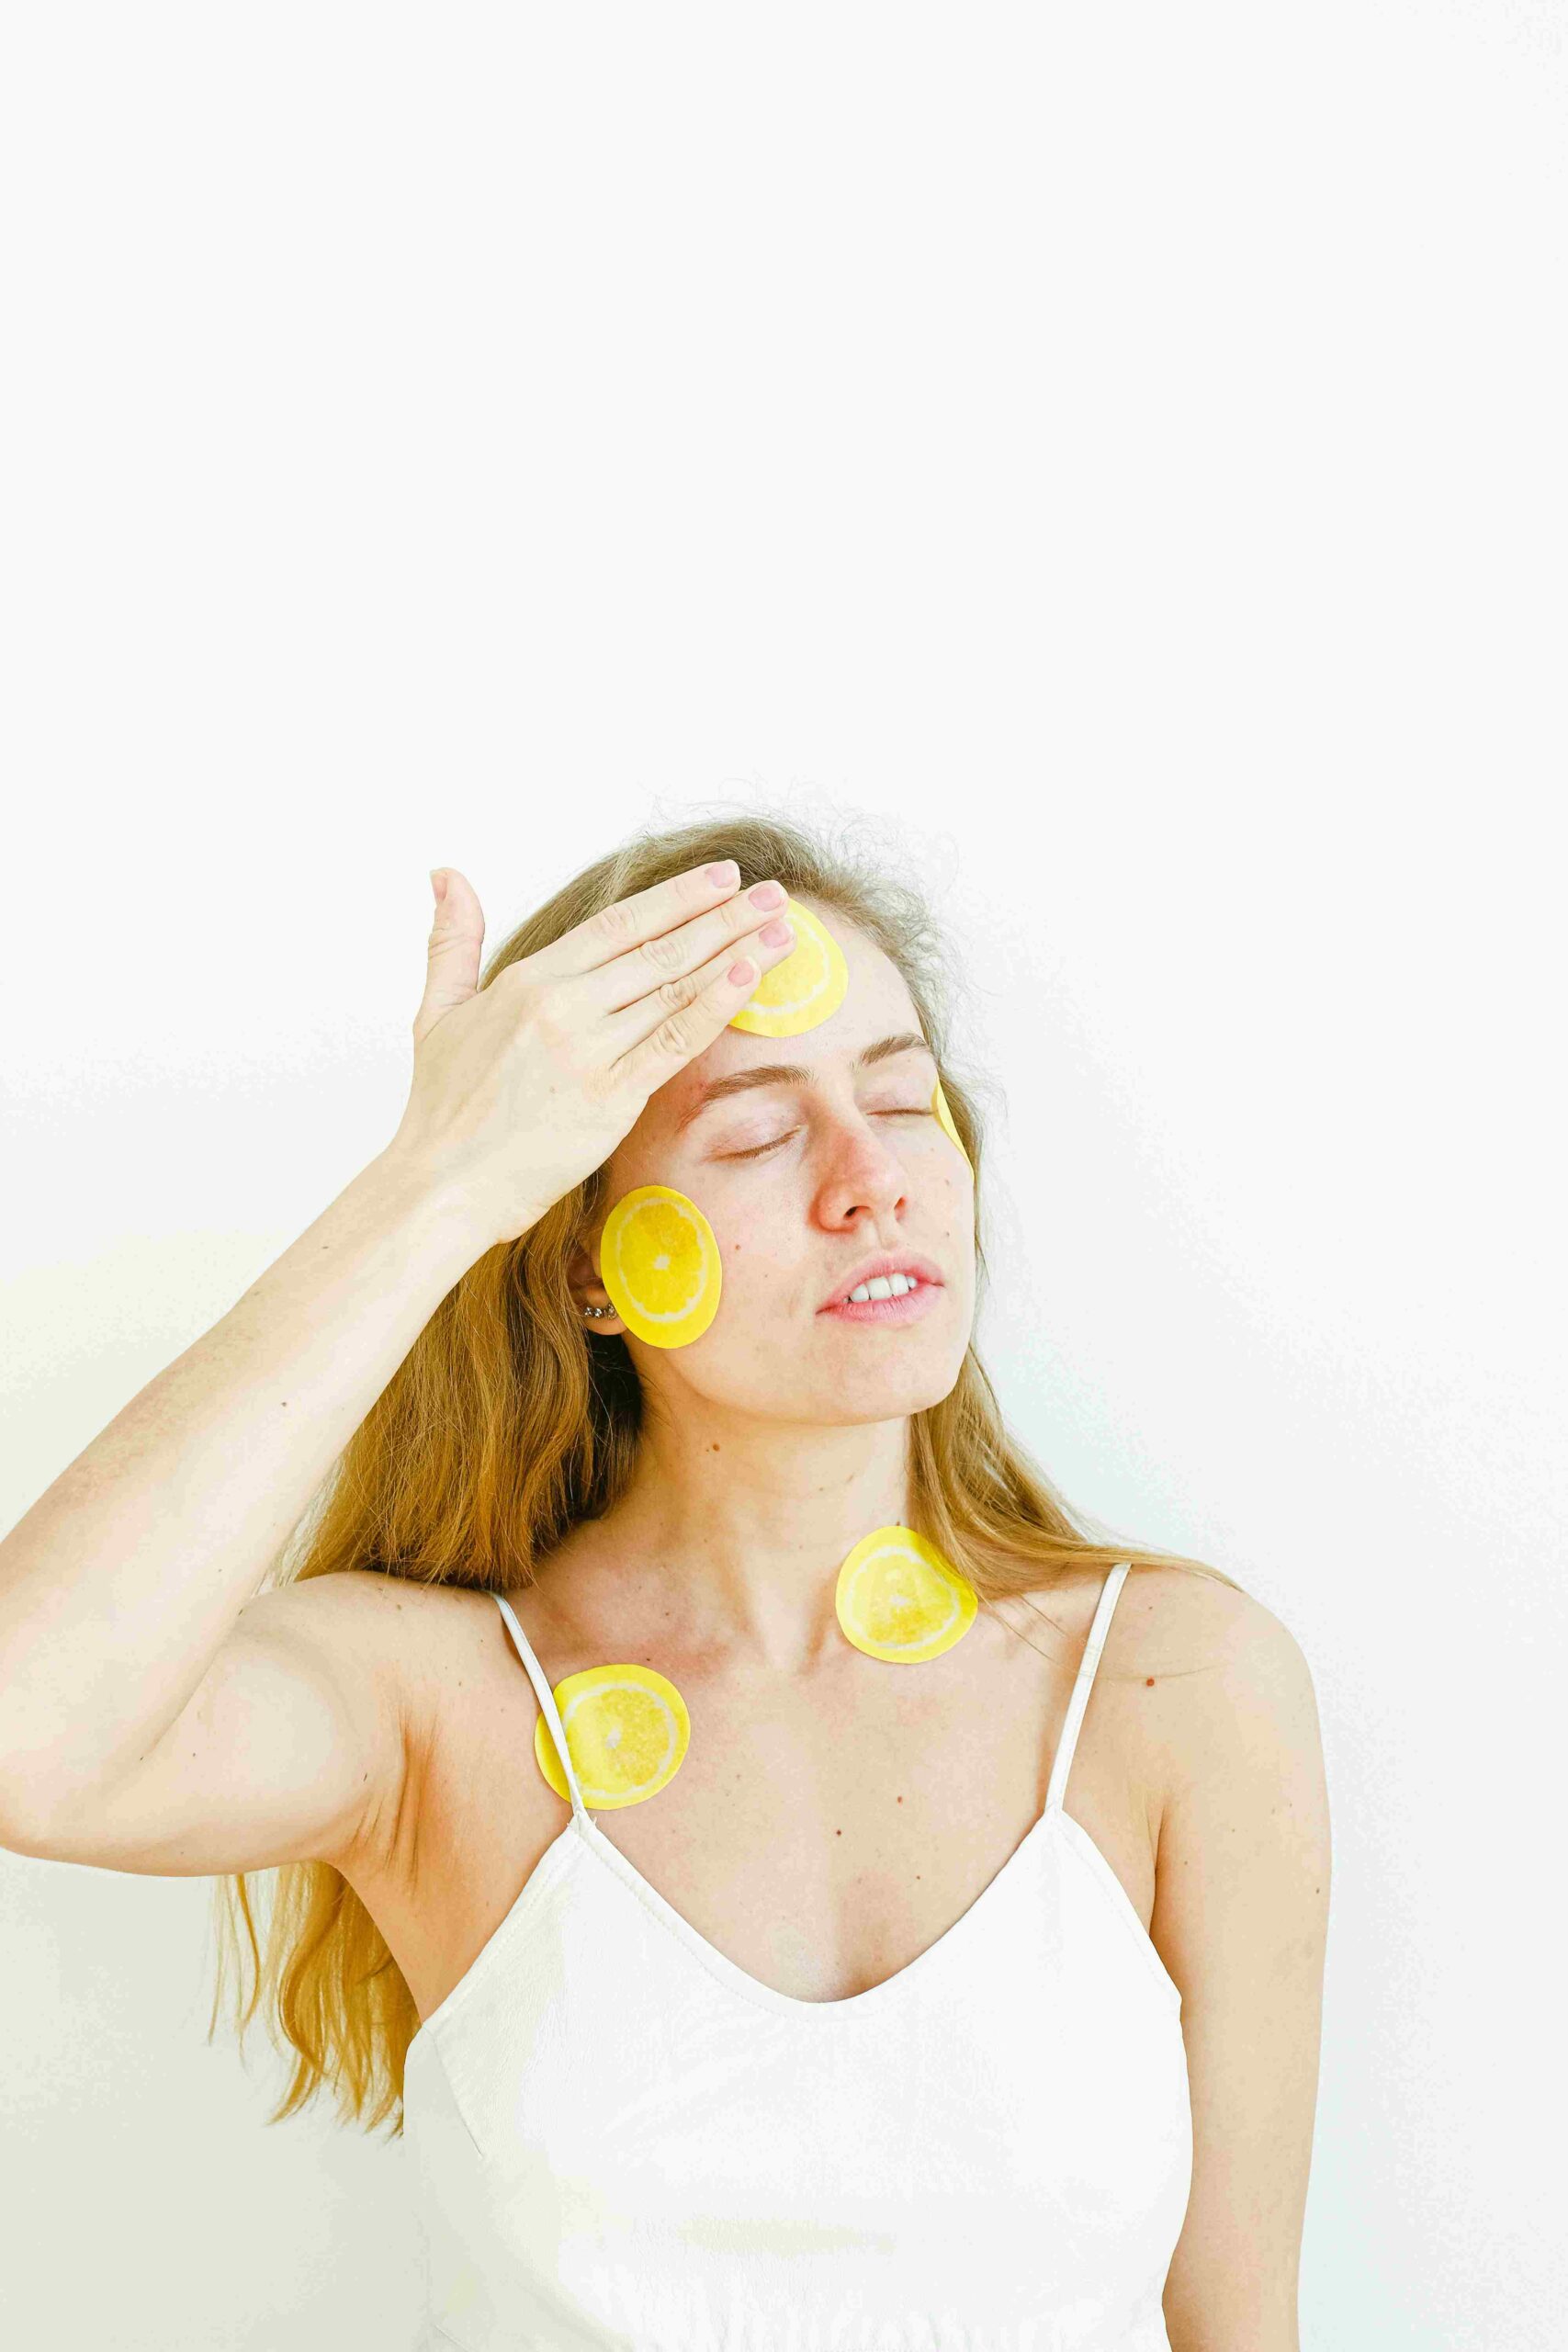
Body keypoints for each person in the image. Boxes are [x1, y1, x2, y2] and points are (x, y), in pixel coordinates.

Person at [0, 813, 1330, 2350]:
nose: (872, 1182)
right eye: (758, 1135)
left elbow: (1239, 2327)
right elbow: (33, 1733)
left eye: (902, 1101)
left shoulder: (1177, 1683)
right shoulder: (445, 1709)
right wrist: (436, 1185)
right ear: (583, 1266)